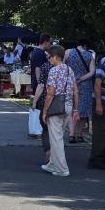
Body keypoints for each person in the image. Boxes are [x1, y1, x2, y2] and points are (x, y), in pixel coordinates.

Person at [35, 45, 78, 177]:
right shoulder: (70, 70)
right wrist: (76, 108)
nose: (48, 59)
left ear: (55, 57)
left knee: (56, 139)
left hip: (56, 107)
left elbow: (51, 93)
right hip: (68, 106)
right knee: (58, 136)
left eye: (49, 57)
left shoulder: (53, 71)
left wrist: (45, 111)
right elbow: (75, 91)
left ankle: (62, 169)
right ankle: (52, 164)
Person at [65, 39, 95, 144]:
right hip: (85, 85)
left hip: (70, 83)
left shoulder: (68, 52)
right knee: (83, 111)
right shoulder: (89, 55)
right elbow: (92, 72)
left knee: (71, 109)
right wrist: (81, 78)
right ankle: (80, 135)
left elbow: (62, 66)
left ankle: (71, 135)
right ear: (85, 45)